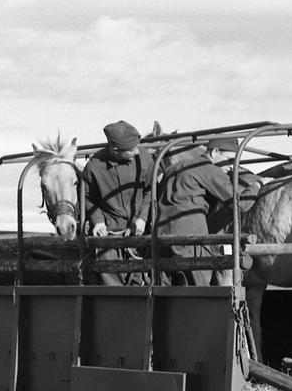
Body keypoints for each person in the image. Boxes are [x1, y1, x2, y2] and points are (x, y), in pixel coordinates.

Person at [156, 137, 238, 286]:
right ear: (215, 152)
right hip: (190, 240)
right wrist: (257, 185)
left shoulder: (173, 168)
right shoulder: (209, 170)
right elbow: (240, 204)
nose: (232, 166)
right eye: (229, 160)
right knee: (198, 287)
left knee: (165, 290)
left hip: (162, 238)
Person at [83, 120, 155, 285]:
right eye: (131, 150)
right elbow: (87, 197)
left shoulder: (144, 158)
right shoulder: (93, 167)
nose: (137, 152)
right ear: (115, 150)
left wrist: (142, 217)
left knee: (143, 282)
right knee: (110, 281)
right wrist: (98, 221)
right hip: (109, 235)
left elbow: (151, 189)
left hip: (139, 232)